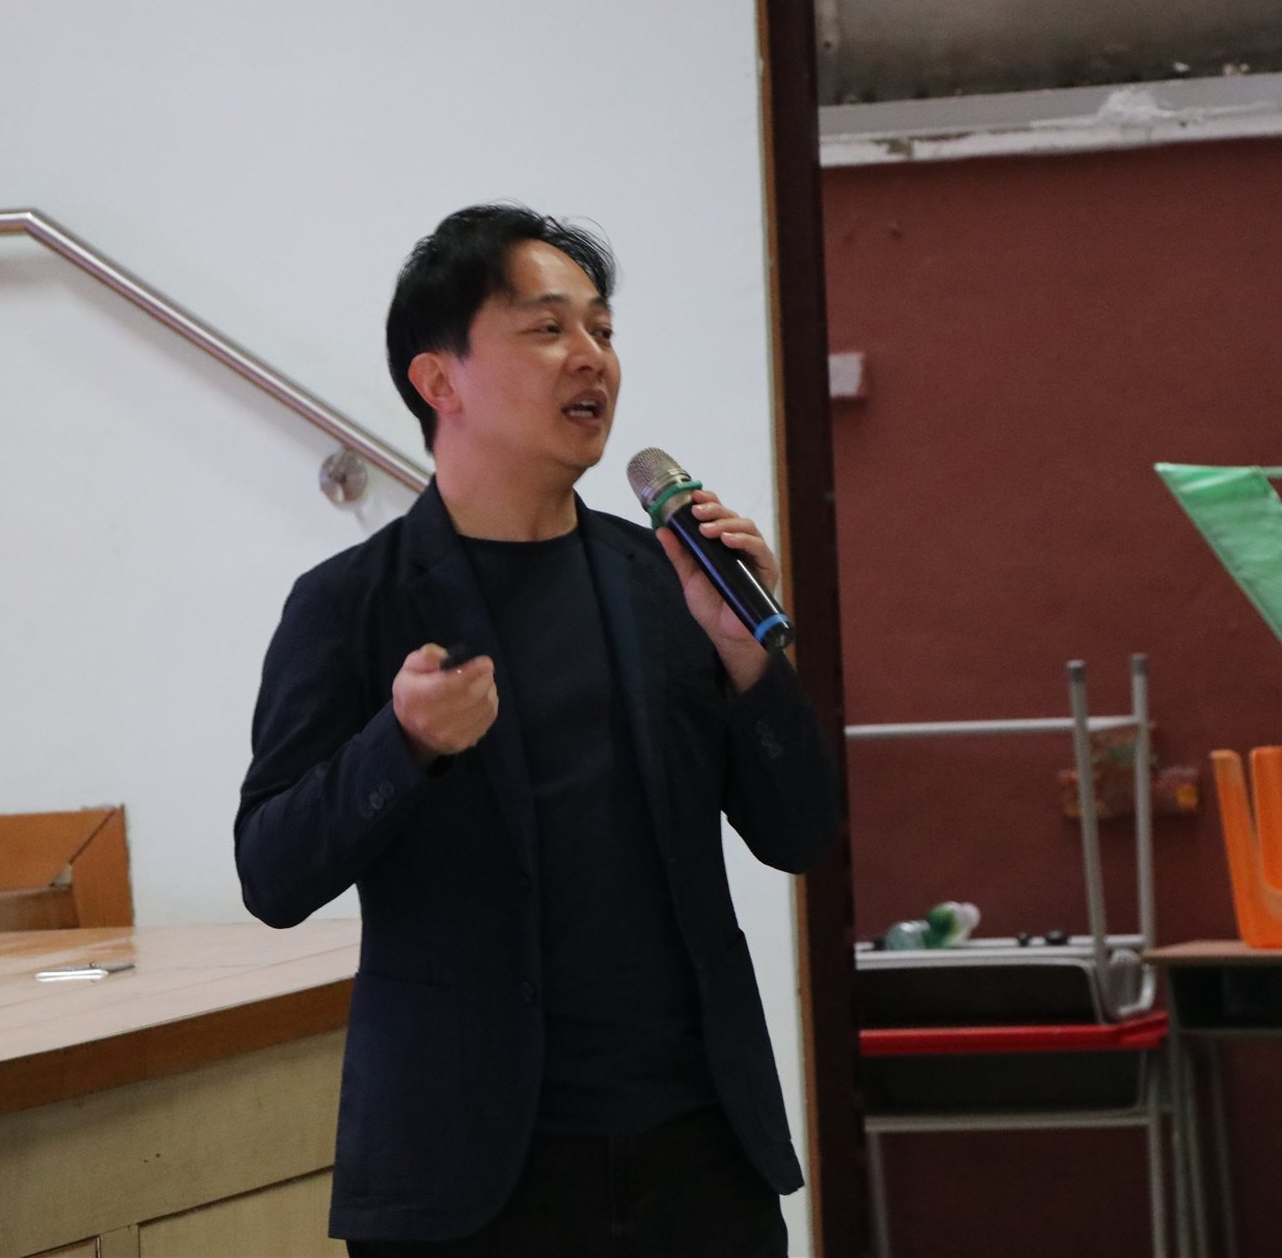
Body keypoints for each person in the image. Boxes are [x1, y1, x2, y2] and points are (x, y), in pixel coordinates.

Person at [235, 203, 840, 1256]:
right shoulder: (352, 604)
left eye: (601, 329)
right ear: (440, 381)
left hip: (698, 1158)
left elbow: (800, 833)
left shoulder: (670, 582)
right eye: (548, 328)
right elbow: (271, 873)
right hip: (469, 1181)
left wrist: (751, 660)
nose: (591, 356)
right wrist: (402, 745)